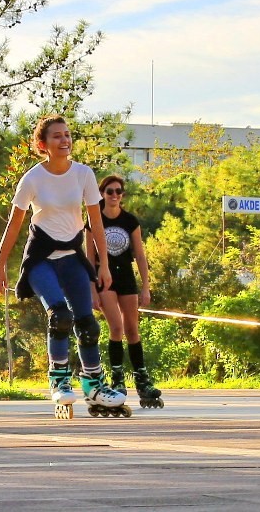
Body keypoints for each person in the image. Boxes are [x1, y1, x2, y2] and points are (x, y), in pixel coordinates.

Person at [0, 114, 127, 415]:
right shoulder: (33, 179)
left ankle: (93, 386)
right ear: (43, 144)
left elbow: (95, 221)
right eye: (57, 136)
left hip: (72, 256)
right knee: (60, 315)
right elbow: (14, 226)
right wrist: (0, 265)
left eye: (67, 135)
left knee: (88, 323)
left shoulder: (83, 174)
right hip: (41, 259)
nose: (65, 140)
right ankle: (59, 383)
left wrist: (103, 265)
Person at [85, 174, 162, 408]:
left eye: (119, 192)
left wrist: (145, 286)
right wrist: (92, 290)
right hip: (103, 276)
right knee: (116, 327)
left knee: (132, 329)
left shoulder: (130, 221)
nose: (115, 195)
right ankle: (117, 379)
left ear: (123, 195)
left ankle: (142, 379)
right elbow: (89, 257)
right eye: (110, 191)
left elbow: (140, 255)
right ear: (102, 194)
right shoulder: (93, 219)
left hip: (125, 274)